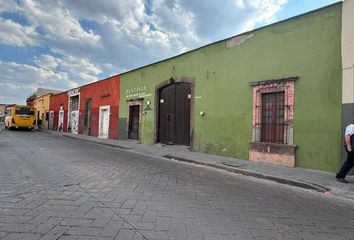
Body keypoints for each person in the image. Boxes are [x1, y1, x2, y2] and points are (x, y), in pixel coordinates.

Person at [336, 119, 354, 183]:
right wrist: (349, 148)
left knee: (350, 163)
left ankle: (340, 176)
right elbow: (347, 137)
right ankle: (340, 176)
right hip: (352, 149)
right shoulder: (351, 126)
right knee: (349, 163)